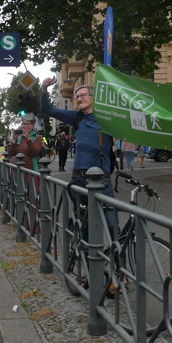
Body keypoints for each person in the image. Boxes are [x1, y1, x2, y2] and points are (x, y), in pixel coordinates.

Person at [40, 78, 117, 233]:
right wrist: (43, 89)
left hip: (102, 178)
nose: (79, 98)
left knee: (111, 223)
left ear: (93, 98)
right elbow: (48, 109)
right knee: (81, 222)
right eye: (77, 96)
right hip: (79, 179)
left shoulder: (108, 117)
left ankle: (117, 254)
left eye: (83, 95)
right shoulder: (76, 117)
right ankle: (86, 254)